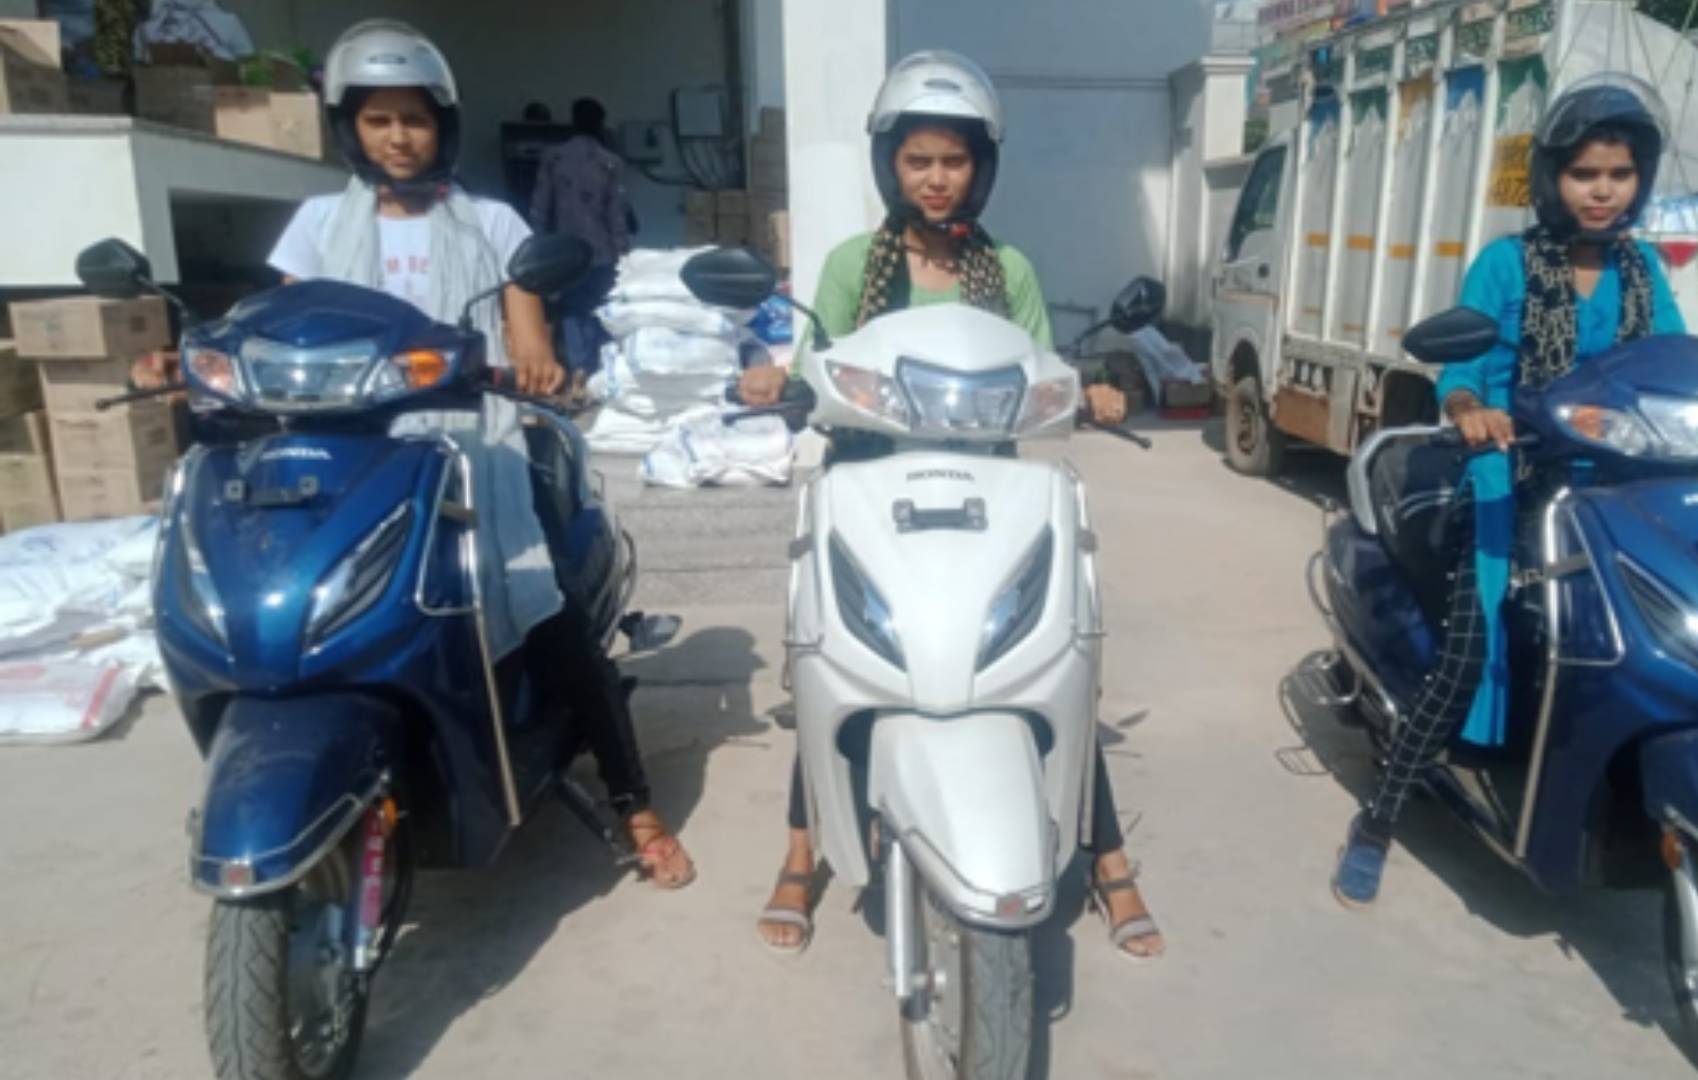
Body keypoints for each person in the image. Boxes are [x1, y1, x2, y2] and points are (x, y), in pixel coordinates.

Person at [741, 51, 1161, 959]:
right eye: (918, 160)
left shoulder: (1006, 267)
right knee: (832, 658)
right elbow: (817, 361)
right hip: (869, 485)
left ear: (983, 167)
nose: (937, 179)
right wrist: (776, 377)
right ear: (889, 165)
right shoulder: (856, 263)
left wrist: (1088, 391)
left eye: (955, 160)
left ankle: (1110, 855)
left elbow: (1045, 366)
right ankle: (801, 851)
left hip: (989, 490)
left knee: (1055, 657)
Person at [267, 19, 693, 888]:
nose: (397, 137)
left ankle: (631, 797)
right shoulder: (316, 225)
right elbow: (282, 324)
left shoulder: (492, 221)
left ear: (442, 126)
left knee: (547, 609)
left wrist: (533, 360)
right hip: (355, 450)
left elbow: (525, 317)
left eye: (413, 120)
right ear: (351, 127)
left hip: (469, 447)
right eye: (379, 120)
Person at [1328, 77, 1686, 909]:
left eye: (1620, 175)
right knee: (1468, 647)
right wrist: (1469, 410)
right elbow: (1460, 367)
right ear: (1552, 178)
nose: (1602, 191)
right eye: (1585, 174)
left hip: (1615, 490)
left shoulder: (1643, 269)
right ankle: (1378, 819)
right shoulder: (1509, 262)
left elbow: (1671, 357)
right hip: (1510, 479)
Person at [531, 96, 633, 374]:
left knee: (572, 309)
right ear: (600, 122)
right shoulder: (610, 162)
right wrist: (624, 253)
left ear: (574, 121)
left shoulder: (554, 157)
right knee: (602, 308)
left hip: (565, 251)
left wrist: (538, 248)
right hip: (602, 250)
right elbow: (616, 213)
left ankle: (579, 369)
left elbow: (541, 207)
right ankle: (603, 368)